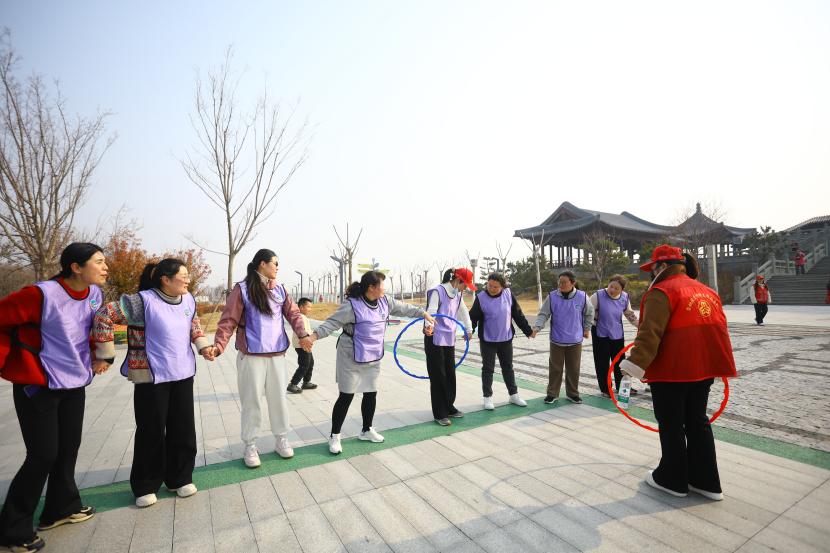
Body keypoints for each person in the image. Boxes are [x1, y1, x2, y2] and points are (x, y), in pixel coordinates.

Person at [0, 243, 107, 553]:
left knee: (67, 448)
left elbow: (91, 329)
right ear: (76, 267)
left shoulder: (95, 295)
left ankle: (60, 508)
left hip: (73, 383)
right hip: (38, 384)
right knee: (42, 455)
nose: (105, 267)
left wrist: (101, 354)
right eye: (99, 262)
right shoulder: (40, 294)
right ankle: (12, 530)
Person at [620, 244, 737, 501]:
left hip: (671, 370)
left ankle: (672, 479)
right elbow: (718, 329)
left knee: (671, 423)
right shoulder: (707, 291)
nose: (652, 274)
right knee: (697, 421)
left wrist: (632, 365)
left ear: (662, 266)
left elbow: (649, 335)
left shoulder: (661, 292)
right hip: (703, 368)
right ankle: (706, 482)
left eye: (653, 268)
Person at [94, 258, 214, 508]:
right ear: (165, 280)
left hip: (183, 373)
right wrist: (105, 354)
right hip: (151, 377)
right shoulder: (142, 301)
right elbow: (104, 315)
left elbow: (194, 326)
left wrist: (204, 347)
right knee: (151, 431)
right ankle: (146, 485)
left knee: (183, 429)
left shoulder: (188, 300)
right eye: (183, 275)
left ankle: (180, 478)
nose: (188, 280)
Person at [307, 271, 435, 454]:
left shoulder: (385, 301)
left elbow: (404, 308)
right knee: (346, 395)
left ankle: (366, 430)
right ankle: (335, 435)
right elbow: (331, 323)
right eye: (382, 285)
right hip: (350, 355)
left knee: (370, 392)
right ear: (371, 288)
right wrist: (312, 337)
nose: (384, 288)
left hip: (373, 355)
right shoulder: (352, 305)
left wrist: (423, 313)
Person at [211, 249, 311, 468]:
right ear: (262, 264)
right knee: (252, 401)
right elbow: (228, 319)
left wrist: (303, 335)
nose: (277, 267)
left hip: (276, 355)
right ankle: (250, 444)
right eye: (275, 263)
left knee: (278, 399)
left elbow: (294, 314)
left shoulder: (280, 290)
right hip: (251, 356)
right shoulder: (242, 289)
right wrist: (219, 345)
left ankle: (281, 438)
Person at [469, 273, 533, 411]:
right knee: (488, 369)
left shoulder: (508, 295)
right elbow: (473, 317)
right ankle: (487, 397)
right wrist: (469, 330)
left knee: (508, 367)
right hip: (488, 340)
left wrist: (528, 331)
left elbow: (518, 314)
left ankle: (513, 395)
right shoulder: (481, 297)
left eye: (495, 287)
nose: (491, 289)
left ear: (502, 287)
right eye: (489, 285)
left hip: (505, 339)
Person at [532, 271, 594, 404]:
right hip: (557, 339)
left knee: (574, 368)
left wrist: (586, 329)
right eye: (559, 282)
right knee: (555, 368)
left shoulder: (582, 297)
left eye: (564, 282)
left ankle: (573, 394)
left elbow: (589, 313)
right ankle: (552, 394)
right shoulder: (552, 296)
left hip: (575, 340)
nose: (561, 285)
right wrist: (537, 327)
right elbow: (543, 314)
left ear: (573, 283)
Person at [424, 268, 474, 426]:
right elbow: (431, 311)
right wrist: (428, 327)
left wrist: (469, 329)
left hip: (449, 338)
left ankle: (449, 406)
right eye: (465, 285)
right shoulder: (437, 291)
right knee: (438, 376)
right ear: (458, 280)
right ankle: (439, 413)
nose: (466, 288)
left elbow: (464, 312)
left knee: (450, 374)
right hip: (434, 338)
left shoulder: (458, 295)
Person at [589, 275, 639, 398]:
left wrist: (640, 326)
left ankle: (622, 386)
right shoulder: (598, 296)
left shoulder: (624, 297)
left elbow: (629, 314)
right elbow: (587, 312)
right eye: (611, 286)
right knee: (602, 362)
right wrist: (585, 327)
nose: (612, 290)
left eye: (616, 288)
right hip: (600, 333)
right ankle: (606, 388)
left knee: (620, 362)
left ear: (622, 290)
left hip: (617, 333)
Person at [288, 297, 318, 394]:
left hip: (305, 344)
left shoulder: (303, 317)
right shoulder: (300, 317)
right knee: (304, 365)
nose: (310, 309)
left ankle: (306, 382)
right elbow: (302, 332)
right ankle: (293, 384)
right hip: (302, 345)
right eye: (308, 307)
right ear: (301, 307)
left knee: (310, 363)